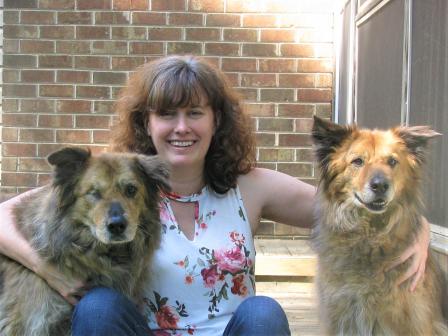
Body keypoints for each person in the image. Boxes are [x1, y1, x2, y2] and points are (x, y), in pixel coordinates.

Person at [0, 55, 430, 336]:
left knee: (263, 313)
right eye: (167, 114)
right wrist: (49, 271)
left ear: (216, 120)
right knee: (97, 309)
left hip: (232, 332)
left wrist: (422, 227)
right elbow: (3, 218)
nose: (181, 127)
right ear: (147, 123)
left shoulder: (251, 186)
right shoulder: (122, 180)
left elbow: (345, 202)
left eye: (195, 113)